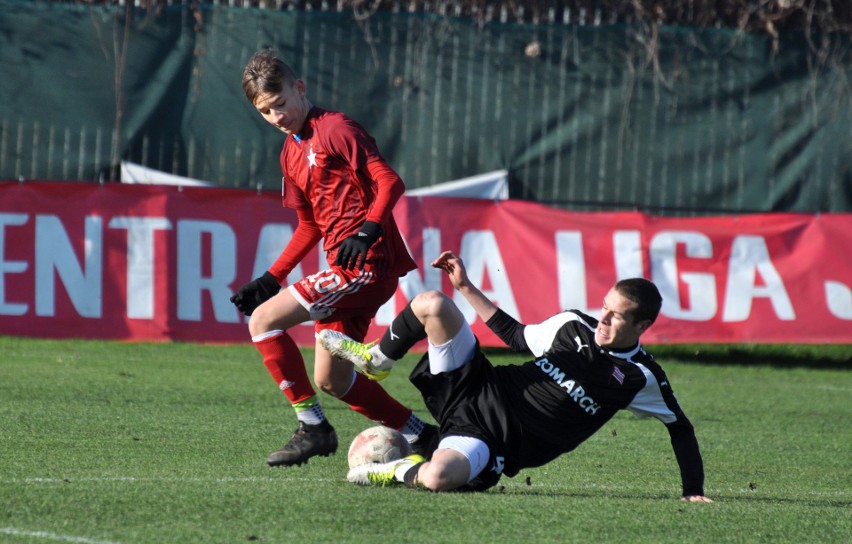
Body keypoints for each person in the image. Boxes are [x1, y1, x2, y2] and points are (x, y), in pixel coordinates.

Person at [319, 251, 713, 502]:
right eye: (605, 307)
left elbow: (681, 427)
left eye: (617, 315)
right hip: (479, 384)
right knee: (433, 303)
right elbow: (516, 336)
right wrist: (466, 288)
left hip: (493, 437)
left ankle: (396, 468)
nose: (603, 319)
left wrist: (692, 492)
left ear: (642, 325)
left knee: (438, 477)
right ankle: (377, 359)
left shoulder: (639, 376)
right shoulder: (573, 325)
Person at [231, 49, 438, 467]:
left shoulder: (336, 128)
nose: (276, 116)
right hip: (345, 266)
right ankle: (424, 435)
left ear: (299, 88)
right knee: (332, 379)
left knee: (263, 321)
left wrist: (368, 229)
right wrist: (272, 277)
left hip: (367, 262)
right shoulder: (290, 152)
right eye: (265, 112)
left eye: (281, 104)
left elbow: (389, 181)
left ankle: (314, 429)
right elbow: (310, 226)